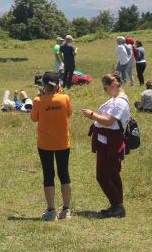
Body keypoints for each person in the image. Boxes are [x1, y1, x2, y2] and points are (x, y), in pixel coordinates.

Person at [81, 72, 131, 218]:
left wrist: (91, 115)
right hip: (106, 141)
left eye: (105, 88)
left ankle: (117, 206)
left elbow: (109, 121)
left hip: (111, 142)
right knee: (112, 174)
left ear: (113, 85)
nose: (105, 91)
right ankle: (117, 205)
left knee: (102, 176)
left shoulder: (120, 102)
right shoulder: (115, 99)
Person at [30, 72, 73, 221]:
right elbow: (69, 113)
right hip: (62, 143)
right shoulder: (65, 98)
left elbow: (34, 118)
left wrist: (42, 98)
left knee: (48, 175)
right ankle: (66, 210)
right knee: (64, 174)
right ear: (58, 85)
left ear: (43, 85)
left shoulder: (38, 100)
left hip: (45, 143)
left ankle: (51, 210)